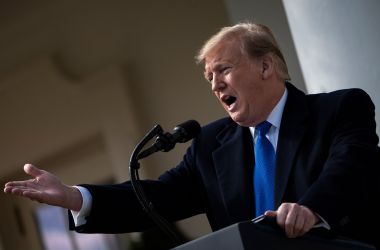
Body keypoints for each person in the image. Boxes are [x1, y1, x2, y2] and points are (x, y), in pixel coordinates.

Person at [4, 22, 380, 248]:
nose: (216, 85)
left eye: (224, 70)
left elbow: (349, 169)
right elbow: (156, 199)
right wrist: (74, 197)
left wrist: (311, 209)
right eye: (209, 78)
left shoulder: (339, 110)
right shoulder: (210, 146)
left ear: (266, 66)